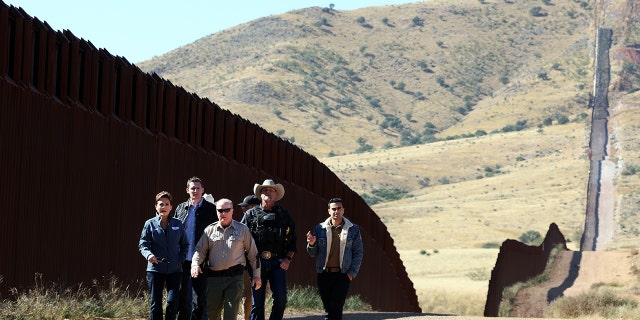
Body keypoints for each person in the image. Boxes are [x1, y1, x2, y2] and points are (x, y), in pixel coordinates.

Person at [191, 198, 262, 320]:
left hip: (234, 277)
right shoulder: (209, 230)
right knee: (212, 314)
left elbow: (253, 254)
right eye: (220, 210)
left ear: (232, 211)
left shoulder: (242, 229)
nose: (223, 213)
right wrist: (195, 265)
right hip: (214, 278)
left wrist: (256, 275)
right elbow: (199, 251)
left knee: (231, 312)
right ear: (216, 211)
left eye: (226, 210)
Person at [241, 179, 297, 320]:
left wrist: (288, 259)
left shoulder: (284, 215)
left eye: (271, 190)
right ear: (260, 194)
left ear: (276, 194)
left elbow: (292, 240)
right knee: (257, 303)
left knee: (281, 298)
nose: (268, 192)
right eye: (265, 190)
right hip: (256, 263)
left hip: (278, 262)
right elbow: (240, 238)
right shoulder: (250, 215)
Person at [306, 198, 364, 320]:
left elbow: (358, 253)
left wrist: (351, 273)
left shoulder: (353, 229)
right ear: (329, 211)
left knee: (335, 308)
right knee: (328, 308)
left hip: (342, 274)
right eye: (333, 209)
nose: (336, 211)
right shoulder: (320, 228)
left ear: (343, 210)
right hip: (324, 274)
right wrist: (311, 244)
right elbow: (313, 254)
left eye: (339, 208)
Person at [139, 191, 189, 320]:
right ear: (156, 206)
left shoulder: (177, 223)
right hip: (155, 269)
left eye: (167, 204)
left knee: (172, 302)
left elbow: (185, 244)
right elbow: (143, 244)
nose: (164, 207)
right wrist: (148, 255)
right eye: (161, 204)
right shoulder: (149, 224)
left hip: (175, 269)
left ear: (171, 207)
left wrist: (180, 260)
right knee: (156, 303)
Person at [174, 176, 218, 320]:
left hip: (201, 259)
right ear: (187, 190)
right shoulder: (180, 208)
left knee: (199, 298)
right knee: (182, 296)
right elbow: (174, 232)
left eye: (198, 188)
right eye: (192, 188)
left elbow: (217, 234)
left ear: (203, 190)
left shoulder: (211, 209)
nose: (195, 191)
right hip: (183, 259)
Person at [237, 195, 261, 320]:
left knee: (255, 297)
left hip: (261, 263)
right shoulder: (245, 220)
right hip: (246, 265)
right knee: (247, 295)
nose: (243, 209)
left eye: (246, 206)